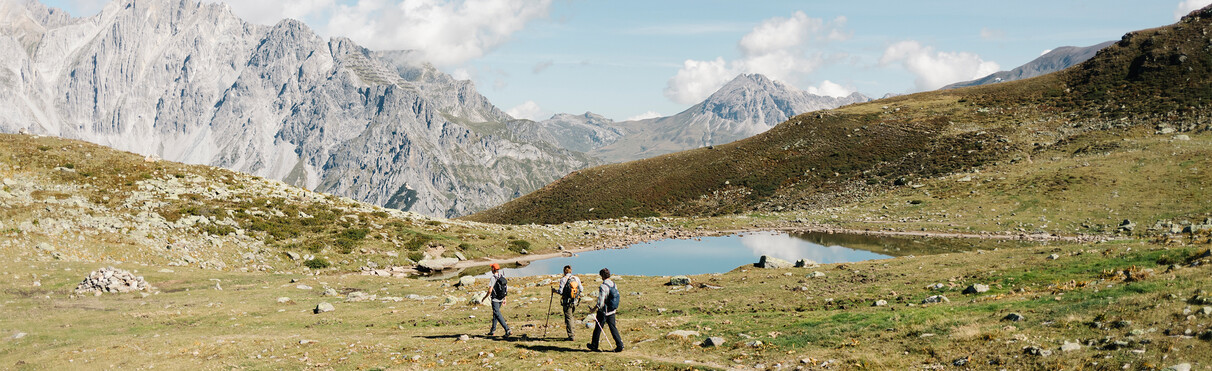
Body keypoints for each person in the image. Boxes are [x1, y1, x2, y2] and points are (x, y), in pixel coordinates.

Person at [587, 268, 623, 352]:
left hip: (604, 311)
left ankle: (594, 345)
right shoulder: (614, 284)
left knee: (598, 328)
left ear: (602, 276)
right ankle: (620, 345)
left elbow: (601, 302)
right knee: (613, 327)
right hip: (612, 310)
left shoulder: (603, 286)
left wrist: (595, 309)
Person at [550, 265, 583, 341]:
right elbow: (581, 289)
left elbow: (560, 291)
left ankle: (571, 335)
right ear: (571, 271)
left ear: (564, 271)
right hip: (575, 301)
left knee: (568, 318)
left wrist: (554, 291)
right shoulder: (576, 278)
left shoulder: (563, 279)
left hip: (567, 302)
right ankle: (572, 332)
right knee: (571, 317)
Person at [481, 263, 511, 337]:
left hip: (495, 299)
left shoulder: (493, 278)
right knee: (495, 314)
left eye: (491, 268)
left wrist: (484, 298)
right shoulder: (502, 276)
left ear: (493, 269)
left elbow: (490, 290)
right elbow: (505, 288)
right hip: (501, 298)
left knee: (497, 313)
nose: (491, 269)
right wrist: (504, 299)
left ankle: (507, 329)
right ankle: (492, 331)